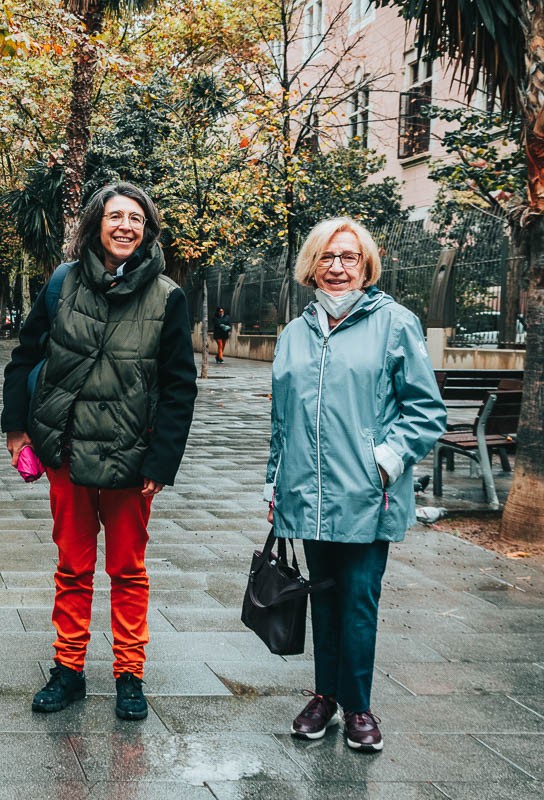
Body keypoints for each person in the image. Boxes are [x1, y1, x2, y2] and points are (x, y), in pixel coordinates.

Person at [1, 182, 197, 721]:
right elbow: (25, 356)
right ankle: (67, 671)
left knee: (129, 571)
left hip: (133, 464)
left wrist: (162, 462)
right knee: (72, 567)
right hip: (66, 455)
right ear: (96, 224)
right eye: (116, 216)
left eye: (136, 218)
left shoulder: (167, 296)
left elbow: (181, 387)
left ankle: (129, 676)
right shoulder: (62, 283)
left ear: (148, 229)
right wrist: (16, 429)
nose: (125, 226)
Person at [267, 217, 446, 752]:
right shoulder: (295, 332)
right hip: (308, 493)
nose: (338, 267)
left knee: (359, 601)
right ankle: (323, 697)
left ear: (366, 265)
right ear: (311, 265)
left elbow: (425, 410)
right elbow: (282, 419)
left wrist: (384, 462)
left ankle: (359, 706)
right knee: (321, 600)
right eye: (328, 257)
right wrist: (273, 481)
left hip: (368, 495)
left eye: (349, 257)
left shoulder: (395, 323)